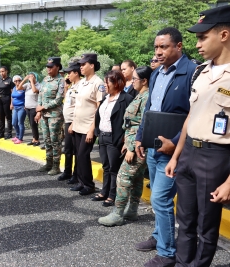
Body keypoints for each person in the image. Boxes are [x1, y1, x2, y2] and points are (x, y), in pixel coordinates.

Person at [165, 6, 230, 266]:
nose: (198, 43)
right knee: (186, 220)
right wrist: (177, 156)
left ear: (224, 35)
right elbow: (190, 117)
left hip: (216, 156)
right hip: (189, 153)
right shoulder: (199, 72)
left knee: (206, 226)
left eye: (203, 37)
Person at [134, 27, 197, 267]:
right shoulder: (158, 73)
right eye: (156, 47)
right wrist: (140, 137)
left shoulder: (192, 72)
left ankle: (168, 252)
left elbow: (196, 113)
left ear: (178, 46)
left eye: (164, 47)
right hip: (153, 147)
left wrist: (176, 142)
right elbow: (149, 109)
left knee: (160, 199)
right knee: (158, 199)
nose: (158, 52)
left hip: (174, 151)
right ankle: (160, 236)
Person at [98, 66, 152, 226]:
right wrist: (127, 143)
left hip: (138, 146)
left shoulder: (147, 98)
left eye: (135, 79)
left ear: (144, 81)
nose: (132, 81)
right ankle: (132, 210)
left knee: (123, 177)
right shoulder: (139, 95)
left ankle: (118, 213)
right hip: (133, 143)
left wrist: (131, 147)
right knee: (136, 179)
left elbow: (143, 124)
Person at [93, 70, 133, 205]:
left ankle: (112, 194)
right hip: (103, 137)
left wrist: (125, 139)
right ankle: (104, 192)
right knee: (106, 167)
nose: (105, 85)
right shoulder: (106, 98)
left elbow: (130, 121)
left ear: (116, 83)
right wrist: (97, 131)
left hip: (114, 138)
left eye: (107, 82)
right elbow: (99, 116)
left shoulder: (125, 99)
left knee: (114, 168)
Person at [69, 54, 106, 196]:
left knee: (84, 155)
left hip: (88, 127)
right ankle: (81, 182)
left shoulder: (98, 83)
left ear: (92, 65)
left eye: (83, 64)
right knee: (79, 155)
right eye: (80, 65)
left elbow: (99, 108)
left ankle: (89, 185)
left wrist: (92, 130)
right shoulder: (83, 82)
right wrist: (72, 123)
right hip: (78, 125)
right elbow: (78, 105)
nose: (81, 67)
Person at [35, 57, 65, 175]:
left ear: (57, 67)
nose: (48, 69)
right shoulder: (46, 79)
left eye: (51, 67)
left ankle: (56, 166)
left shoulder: (60, 81)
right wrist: (38, 111)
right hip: (44, 115)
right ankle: (48, 163)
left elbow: (59, 99)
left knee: (55, 140)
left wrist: (43, 107)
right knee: (47, 140)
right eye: (47, 67)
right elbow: (40, 96)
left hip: (55, 115)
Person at [57, 62, 81, 182]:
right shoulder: (72, 86)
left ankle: (76, 174)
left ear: (76, 73)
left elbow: (79, 106)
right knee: (67, 149)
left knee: (75, 150)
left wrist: (73, 123)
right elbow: (67, 101)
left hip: (74, 121)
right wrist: (66, 86)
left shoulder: (80, 86)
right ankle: (67, 171)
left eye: (69, 73)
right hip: (68, 121)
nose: (67, 75)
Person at [18, 72, 40, 146]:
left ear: (35, 77)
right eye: (29, 76)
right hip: (27, 107)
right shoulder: (27, 85)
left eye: (32, 76)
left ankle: (36, 139)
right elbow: (18, 88)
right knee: (31, 124)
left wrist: (32, 82)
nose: (30, 78)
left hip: (34, 107)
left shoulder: (38, 85)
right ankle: (34, 139)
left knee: (33, 124)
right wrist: (24, 79)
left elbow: (34, 91)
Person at [0, 66, 15, 139]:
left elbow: (13, 93)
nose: (1, 73)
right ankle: (1, 133)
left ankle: (9, 133)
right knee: (1, 117)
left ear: (6, 71)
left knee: (8, 117)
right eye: (0, 72)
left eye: (3, 71)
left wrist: (11, 103)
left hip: (7, 99)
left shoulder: (10, 80)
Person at [10, 75, 26, 144]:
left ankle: (20, 138)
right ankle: (17, 135)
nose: (18, 82)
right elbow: (12, 97)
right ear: (14, 82)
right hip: (15, 108)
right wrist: (11, 104)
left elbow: (27, 96)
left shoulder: (23, 88)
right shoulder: (13, 88)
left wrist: (26, 105)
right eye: (16, 81)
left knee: (20, 123)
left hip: (21, 107)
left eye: (19, 80)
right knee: (14, 123)